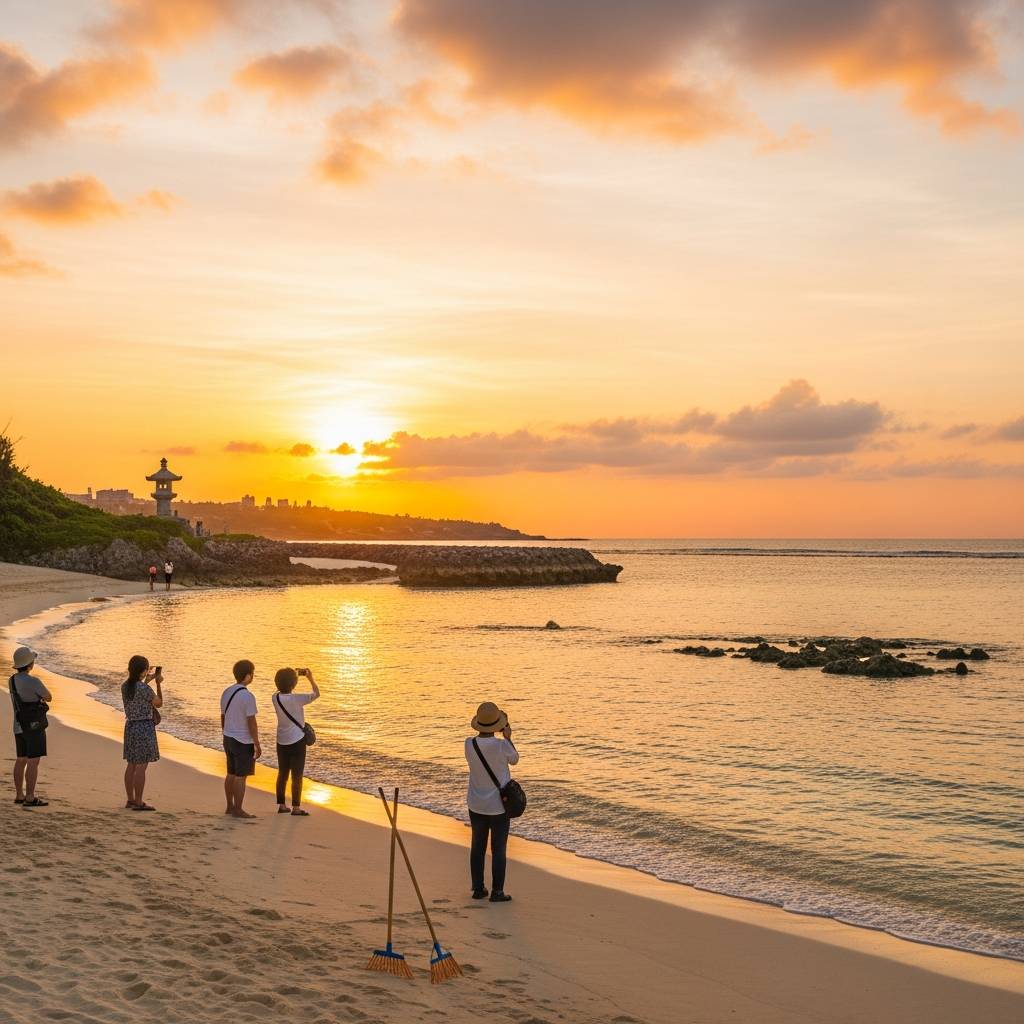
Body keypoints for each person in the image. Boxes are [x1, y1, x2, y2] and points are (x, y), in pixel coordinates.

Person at [465, 701, 519, 903]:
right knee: (499, 849)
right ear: (498, 725)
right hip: (498, 806)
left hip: (476, 803)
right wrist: (508, 738)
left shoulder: (468, 744)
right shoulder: (502, 745)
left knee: (477, 846)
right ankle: (497, 892)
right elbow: (514, 759)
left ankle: (478, 889)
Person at [272, 667, 319, 816]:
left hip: (281, 740)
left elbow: (284, 685)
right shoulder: (297, 699)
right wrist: (310, 678)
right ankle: (296, 808)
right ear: (294, 684)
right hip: (297, 740)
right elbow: (316, 694)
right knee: (297, 775)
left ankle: (281, 805)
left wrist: (292, 674)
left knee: (282, 773)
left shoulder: (275, 697)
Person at [9, 646, 51, 808]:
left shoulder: (11, 680)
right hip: (33, 727)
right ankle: (30, 797)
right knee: (33, 762)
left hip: (18, 725)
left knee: (20, 760)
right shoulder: (34, 681)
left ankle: (19, 794)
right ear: (29, 664)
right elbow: (48, 696)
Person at [121, 655, 163, 811]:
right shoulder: (144, 688)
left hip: (131, 726)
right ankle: (139, 801)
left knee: (131, 764)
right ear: (143, 671)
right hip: (144, 727)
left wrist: (147, 681)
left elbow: (138, 693)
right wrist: (158, 684)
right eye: (147, 669)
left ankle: (130, 799)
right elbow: (159, 703)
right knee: (141, 766)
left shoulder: (125, 686)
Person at [221, 659, 260, 818]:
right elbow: (251, 722)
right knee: (240, 776)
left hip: (228, 737)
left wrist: (225, 732)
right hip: (242, 740)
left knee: (231, 773)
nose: (253, 676)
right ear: (247, 676)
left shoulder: (227, 692)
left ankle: (230, 806)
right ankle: (238, 809)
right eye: (252, 674)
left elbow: (222, 716)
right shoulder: (248, 696)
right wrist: (257, 743)